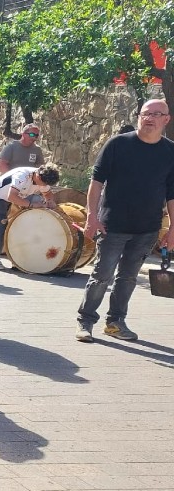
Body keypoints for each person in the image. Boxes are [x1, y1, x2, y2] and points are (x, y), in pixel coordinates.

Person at [76, 99, 174, 342]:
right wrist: (92, 217)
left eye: (156, 114)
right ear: (139, 116)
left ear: (166, 119)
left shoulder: (170, 151)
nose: (149, 118)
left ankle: (115, 322)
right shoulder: (118, 144)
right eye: (145, 113)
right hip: (113, 224)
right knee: (102, 274)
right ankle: (85, 321)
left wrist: (173, 227)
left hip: (147, 228)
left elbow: (172, 193)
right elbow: (96, 182)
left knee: (128, 277)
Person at [0, 163, 60, 270]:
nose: (44, 186)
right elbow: (11, 196)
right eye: (44, 183)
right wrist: (31, 205)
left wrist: (50, 201)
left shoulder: (43, 178)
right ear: (38, 176)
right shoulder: (22, 176)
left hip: (4, 199)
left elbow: (48, 194)